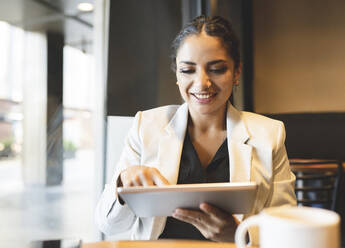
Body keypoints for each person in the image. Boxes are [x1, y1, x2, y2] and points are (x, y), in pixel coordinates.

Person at [95, 15, 296, 245]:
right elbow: (107, 224)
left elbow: (287, 228)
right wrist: (123, 182)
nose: (202, 83)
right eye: (188, 70)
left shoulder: (269, 134)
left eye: (217, 69)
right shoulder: (146, 126)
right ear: (177, 75)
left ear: (237, 72)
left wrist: (240, 235)